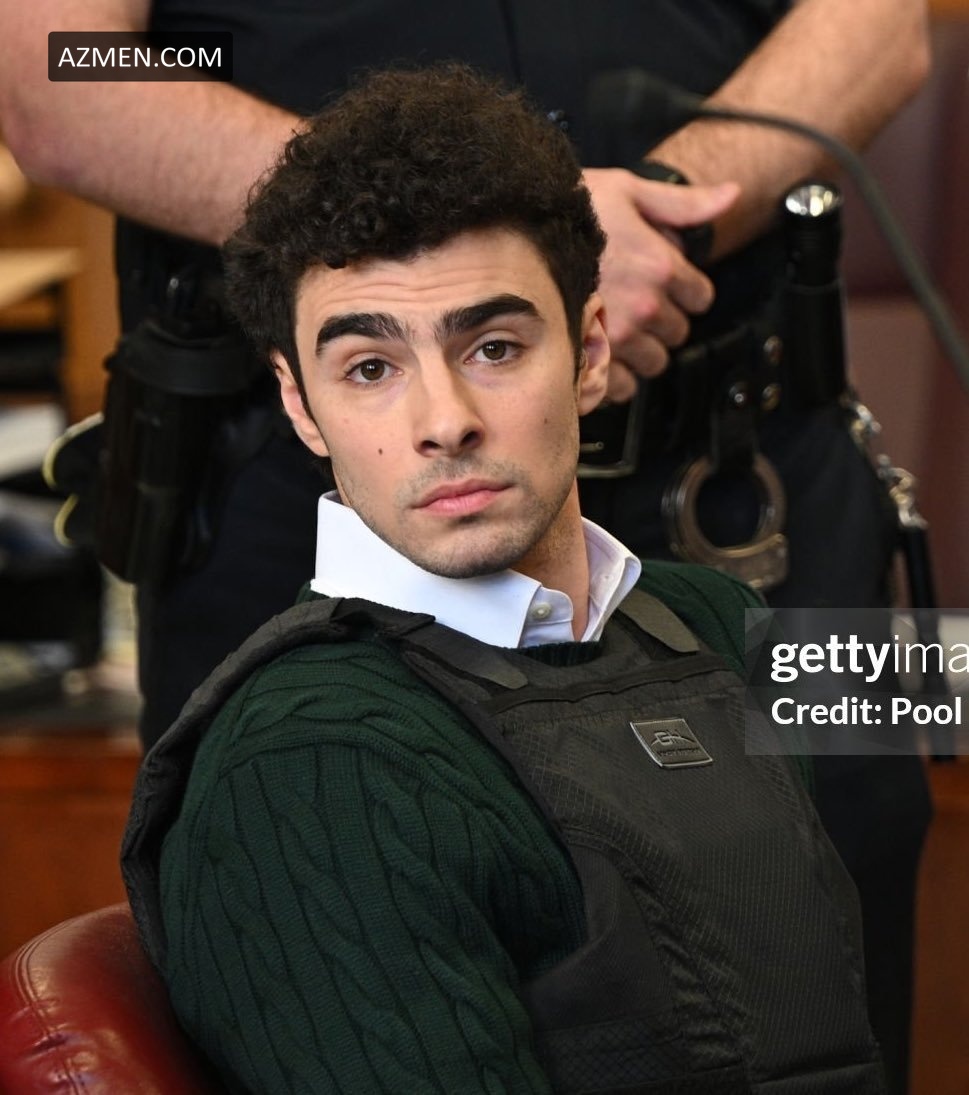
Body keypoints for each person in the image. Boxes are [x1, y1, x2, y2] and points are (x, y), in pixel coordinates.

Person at [0, 2, 931, 1089]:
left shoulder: (729, 618)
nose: (447, 416)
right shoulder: (308, 749)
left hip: (765, 468)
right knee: (342, 855)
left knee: (866, 846)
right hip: (270, 486)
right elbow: (53, 74)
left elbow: (890, 24)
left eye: (492, 343)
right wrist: (403, 225)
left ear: (583, 345)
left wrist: (662, 211)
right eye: (369, 364)